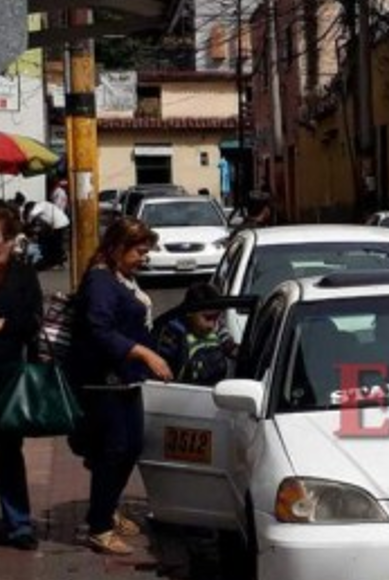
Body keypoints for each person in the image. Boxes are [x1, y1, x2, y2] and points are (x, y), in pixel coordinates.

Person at [69, 218, 173, 556]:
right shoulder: (100, 281)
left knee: (130, 447)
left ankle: (108, 508)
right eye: (139, 251)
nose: (144, 258)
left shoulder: (122, 278)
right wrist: (143, 353)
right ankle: (98, 526)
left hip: (126, 379)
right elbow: (98, 330)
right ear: (117, 248)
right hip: (105, 382)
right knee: (113, 450)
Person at [0, 202, 43, 549]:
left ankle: (18, 524)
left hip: (7, 375)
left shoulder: (22, 274)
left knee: (8, 453)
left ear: (8, 240)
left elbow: (33, 320)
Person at [155, 281, 236, 385]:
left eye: (216, 317)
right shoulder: (173, 334)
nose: (212, 325)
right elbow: (163, 375)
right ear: (190, 312)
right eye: (207, 318)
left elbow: (231, 348)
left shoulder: (218, 328)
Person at [22, 198, 71, 270]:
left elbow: (33, 214)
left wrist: (28, 222)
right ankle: (58, 260)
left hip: (59, 223)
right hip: (61, 221)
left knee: (56, 244)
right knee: (56, 243)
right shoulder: (44, 205)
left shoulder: (39, 206)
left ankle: (58, 262)